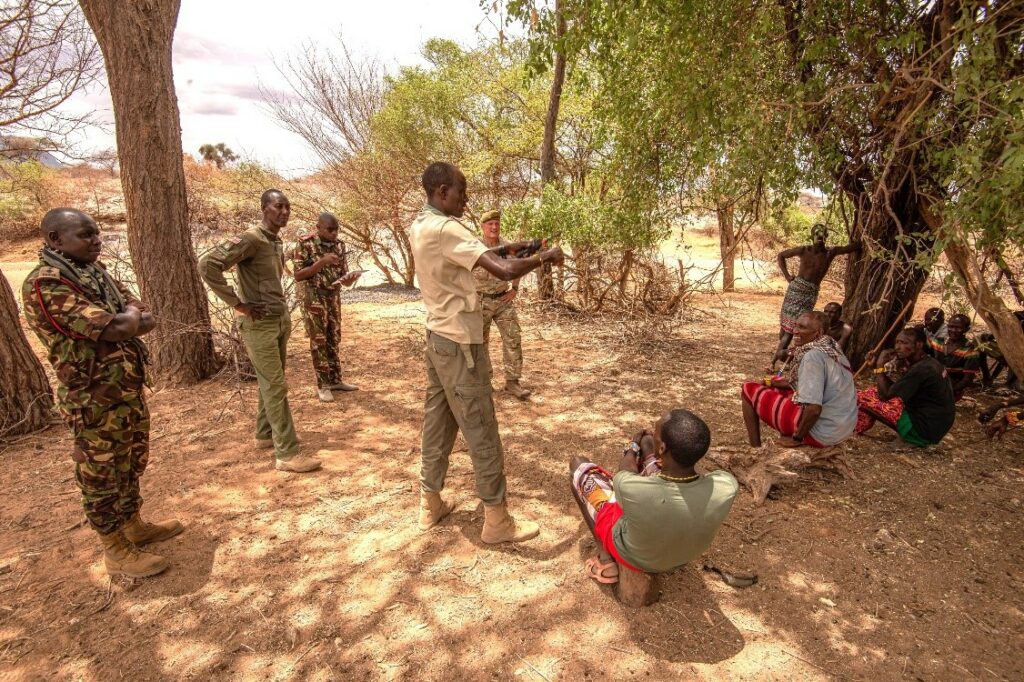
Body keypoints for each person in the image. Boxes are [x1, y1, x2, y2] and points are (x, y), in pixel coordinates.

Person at [21, 208, 183, 578]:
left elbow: (146, 317)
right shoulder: (47, 284)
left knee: (131, 461)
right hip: (91, 398)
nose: (97, 241)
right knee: (101, 473)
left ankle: (132, 526)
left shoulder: (95, 274)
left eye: (97, 234)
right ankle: (114, 547)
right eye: (86, 235)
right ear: (56, 240)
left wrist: (127, 317)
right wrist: (127, 317)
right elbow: (119, 327)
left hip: (124, 388)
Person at [410, 161, 565, 543]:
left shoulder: (422, 224)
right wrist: (544, 257)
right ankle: (497, 520)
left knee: (438, 422)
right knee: (481, 428)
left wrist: (518, 247)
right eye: (461, 191)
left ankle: (429, 503)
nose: (466, 199)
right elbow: (503, 271)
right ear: (443, 191)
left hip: (438, 340)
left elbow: (482, 254)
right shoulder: (448, 229)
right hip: (462, 345)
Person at [199, 189, 320, 473]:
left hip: (277, 320)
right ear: (264, 208)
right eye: (278, 206)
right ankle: (287, 454)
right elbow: (208, 264)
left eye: (288, 207)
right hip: (259, 325)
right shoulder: (252, 239)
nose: (284, 212)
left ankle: (265, 434)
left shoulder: (273, 241)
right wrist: (238, 304)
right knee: (275, 385)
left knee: (271, 382)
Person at [568, 410, 737, 583]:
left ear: (662, 448)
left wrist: (633, 446)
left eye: (655, 433)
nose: (652, 433)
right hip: (682, 557)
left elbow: (626, 471)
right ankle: (650, 447)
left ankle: (605, 557)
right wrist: (649, 443)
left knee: (579, 466)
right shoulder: (726, 485)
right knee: (646, 444)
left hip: (634, 556)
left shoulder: (633, 489)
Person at [742, 311, 858, 448]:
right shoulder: (831, 346)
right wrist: (772, 382)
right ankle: (787, 428)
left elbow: (814, 409)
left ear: (818, 333)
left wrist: (797, 438)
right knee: (776, 384)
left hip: (823, 433)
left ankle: (755, 449)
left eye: (802, 328)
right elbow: (798, 382)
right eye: (796, 326)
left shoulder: (812, 357)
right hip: (843, 426)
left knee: (748, 389)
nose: (795, 331)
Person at [290, 212, 361, 402]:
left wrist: (349, 279)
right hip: (314, 297)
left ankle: (336, 380)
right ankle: (323, 385)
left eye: (336, 230)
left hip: (333, 297)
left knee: (333, 337)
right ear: (318, 227)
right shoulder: (305, 244)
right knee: (319, 340)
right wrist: (321, 262)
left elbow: (342, 275)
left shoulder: (339, 245)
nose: (334, 233)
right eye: (330, 230)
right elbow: (298, 275)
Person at [772, 223, 861, 366]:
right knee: (787, 328)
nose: (819, 238)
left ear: (826, 237)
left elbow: (854, 246)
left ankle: (785, 357)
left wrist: (867, 240)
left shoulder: (830, 252)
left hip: (811, 292)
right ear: (811, 236)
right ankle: (777, 359)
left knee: (799, 325)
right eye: (817, 235)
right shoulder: (804, 249)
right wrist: (788, 277)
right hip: (796, 289)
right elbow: (781, 255)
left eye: (822, 236)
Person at [855, 326, 956, 446]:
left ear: (919, 345)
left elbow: (885, 396)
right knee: (870, 393)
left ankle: (911, 437)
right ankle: (857, 427)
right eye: (897, 342)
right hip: (933, 425)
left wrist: (879, 366)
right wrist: (875, 368)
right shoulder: (928, 362)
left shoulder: (921, 369)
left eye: (903, 343)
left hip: (923, 430)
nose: (897, 347)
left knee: (859, 398)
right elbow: (895, 390)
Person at [473, 209, 530, 400]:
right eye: (490, 224)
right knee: (480, 343)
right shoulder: (474, 247)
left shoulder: (507, 247)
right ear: (482, 227)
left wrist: (514, 288)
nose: (494, 227)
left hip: (503, 299)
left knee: (513, 337)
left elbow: (518, 266)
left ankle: (512, 382)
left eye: (496, 224)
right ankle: (485, 383)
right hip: (479, 300)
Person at [929, 313, 981, 400]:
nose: (953, 330)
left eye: (958, 328)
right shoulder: (938, 342)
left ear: (966, 329)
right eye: (951, 326)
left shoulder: (970, 350)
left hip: (952, 389)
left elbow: (967, 380)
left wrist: (949, 391)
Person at [978, 311, 1024, 389]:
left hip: (1018, 352)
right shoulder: (1017, 316)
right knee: (979, 342)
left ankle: (1008, 383)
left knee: (1009, 356)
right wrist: (991, 336)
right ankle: (987, 377)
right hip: (1009, 347)